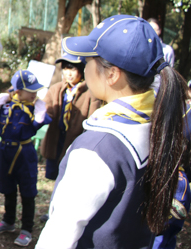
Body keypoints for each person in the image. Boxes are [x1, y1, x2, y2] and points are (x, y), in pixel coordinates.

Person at [37, 15, 190, 248]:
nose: (84, 66)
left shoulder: (97, 148)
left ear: (112, 74)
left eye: (88, 60)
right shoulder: (159, 124)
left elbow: (59, 236)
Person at [0, 70, 50, 247]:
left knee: (28, 190)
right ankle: (8, 221)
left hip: (24, 153)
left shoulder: (34, 107)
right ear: (17, 91)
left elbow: (39, 121)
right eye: (31, 91)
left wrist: (39, 105)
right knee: (8, 187)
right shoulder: (7, 106)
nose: (34, 94)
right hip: (5, 151)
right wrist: (4, 97)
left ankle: (27, 229)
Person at [38, 51, 101, 221]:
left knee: (71, 179)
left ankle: (63, 212)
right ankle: (53, 210)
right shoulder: (57, 88)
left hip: (75, 143)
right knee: (57, 176)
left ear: (82, 70)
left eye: (72, 69)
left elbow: (93, 118)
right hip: (56, 140)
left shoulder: (90, 92)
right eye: (65, 68)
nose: (68, 73)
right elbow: (47, 109)